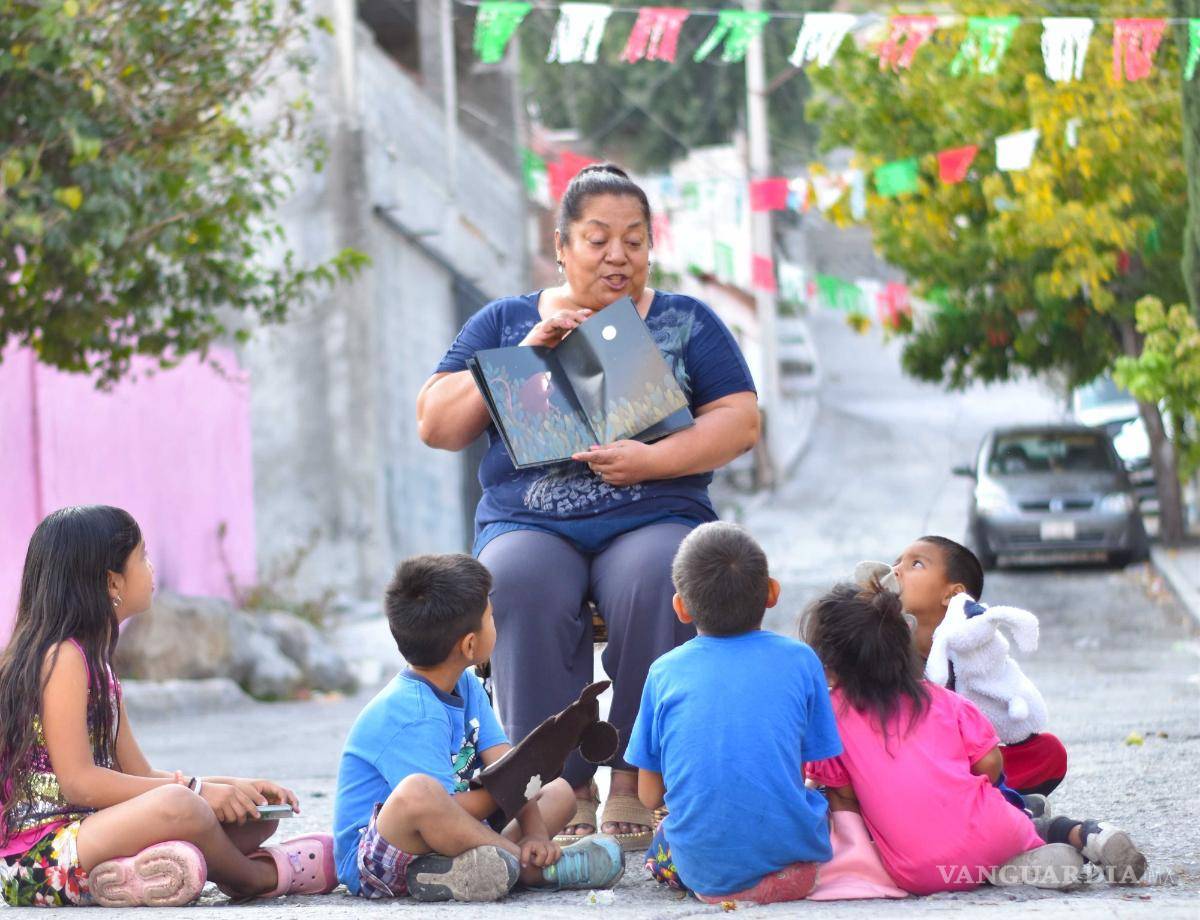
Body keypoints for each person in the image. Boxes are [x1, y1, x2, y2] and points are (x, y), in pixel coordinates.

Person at [417, 163, 760, 848]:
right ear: (563, 245)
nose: (617, 256)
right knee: (519, 582)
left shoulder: (685, 321)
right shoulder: (507, 319)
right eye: (598, 239)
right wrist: (520, 354)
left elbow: (741, 421)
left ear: (650, 247)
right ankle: (560, 784)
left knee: (657, 577)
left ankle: (634, 777)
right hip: (528, 520)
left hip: (654, 512)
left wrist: (652, 460)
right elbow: (435, 424)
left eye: (634, 240)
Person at [0, 506, 335, 908]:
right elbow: (79, 782)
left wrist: (227, 786)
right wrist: (197, 792)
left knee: (255, 818)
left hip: (89, 833)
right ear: (112, 582)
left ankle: (138, 873)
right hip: (38, 860)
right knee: (182, 807)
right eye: (142, 557)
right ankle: (255, 878)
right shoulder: (63, 658)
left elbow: (138, 774)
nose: (152, 568)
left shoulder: (97, 661)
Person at [802, 583, 1147, 894]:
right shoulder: (940, 699)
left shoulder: (829, 717)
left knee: (966, 844)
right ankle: (1085, 835)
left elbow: (843, 800)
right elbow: (991, 763)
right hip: (994, 831)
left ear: (828, 663)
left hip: (919, 873)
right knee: (1028, 819)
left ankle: (1007, 868)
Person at [331, 553, 624, 902]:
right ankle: (526, 867)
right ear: (470, 644)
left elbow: (511, 766)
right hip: (379, 856)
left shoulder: (467, 685)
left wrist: (535, 833)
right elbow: (441, 808)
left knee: (559, 791)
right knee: (419, 792)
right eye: (492, 618)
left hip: (455, 833)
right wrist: (511, 799)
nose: (495, 624)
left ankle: (474, 869)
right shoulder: (412, 711)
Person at [625, 523, 842, 903]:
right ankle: (777, 874)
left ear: (681, 607)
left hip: (703, 874)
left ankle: (725, 880)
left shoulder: (664, 672)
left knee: (662, 846)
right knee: (821, 797)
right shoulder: (801, 660)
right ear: (772, 592)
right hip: (797, 860)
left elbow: (647, 796)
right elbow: (816, 764)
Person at [891, 536, 1069, 796]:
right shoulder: (883, 643)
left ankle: (992, 799)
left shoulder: (976, 650)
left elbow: (999, 710)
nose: (896, 570)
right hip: (911, 772)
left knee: (1048, 752)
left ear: (952, 594)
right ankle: (997, 804)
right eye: (895, 564)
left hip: (969, 766)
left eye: (915, 564)